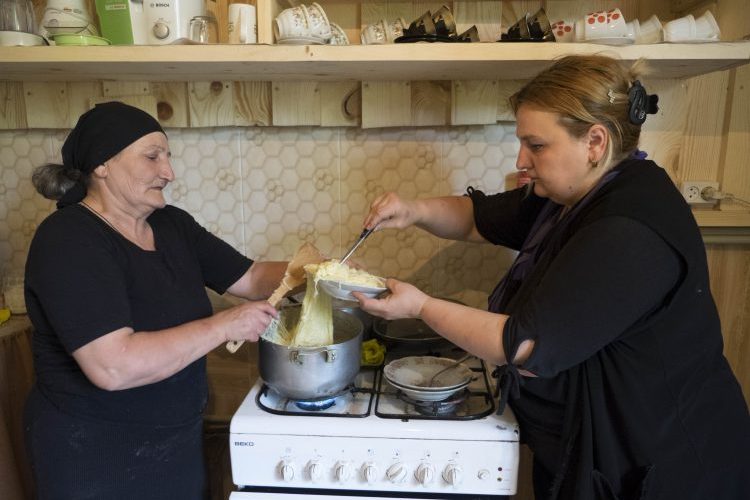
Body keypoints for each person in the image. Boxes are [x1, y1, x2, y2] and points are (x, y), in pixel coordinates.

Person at [355, 55, 750, 500]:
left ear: (595, 142)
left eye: (536, 145)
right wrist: (412, 210)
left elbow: (523, 345)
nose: (522, 159)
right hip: (594, 445)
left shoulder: (630, 229)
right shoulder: (574, 193)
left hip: (664, 465)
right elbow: (477, 219)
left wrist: (419, 306)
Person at [24, 101, 287, 499]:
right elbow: (113, 366)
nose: (169, 172)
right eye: (152, 157)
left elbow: (250, 278)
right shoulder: (68, 239)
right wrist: (225, 324)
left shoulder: (172, 225)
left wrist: (319, 270)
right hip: (95, 454)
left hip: (175, 443)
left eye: (168, 157)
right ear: (102, 164)